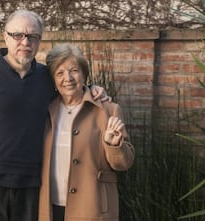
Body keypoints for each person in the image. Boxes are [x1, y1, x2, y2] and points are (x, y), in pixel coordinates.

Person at [0, 10, 108, 221]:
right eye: (17, 35)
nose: (24, 41)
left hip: (30, 188)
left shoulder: (46, 78)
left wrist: (92, 90)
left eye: (32, 36)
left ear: (39, 41)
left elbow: (71, 89)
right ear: (5, 37)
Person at [38, 43, 135, 221]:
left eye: (74, 70)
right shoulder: (44, 110)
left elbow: (124, 163)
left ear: (84, 74)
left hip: (93, 209)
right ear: (52, 79)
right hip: (49, 207)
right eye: (59, 73)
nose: (68, 78)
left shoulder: (107, 110)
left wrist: (114, 146)